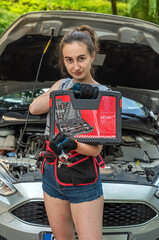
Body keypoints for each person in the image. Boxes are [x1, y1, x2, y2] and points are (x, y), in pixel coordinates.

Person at [29, 25, 108, 240]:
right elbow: (34, 108)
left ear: (93, 56)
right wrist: (66, 93)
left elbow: (95, 150)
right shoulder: (62, 84)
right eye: (69, 60)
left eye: (81, 58)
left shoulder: (104, 95)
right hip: (51, 175)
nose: (75, 66)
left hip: (83, 177)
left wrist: (73, 143)